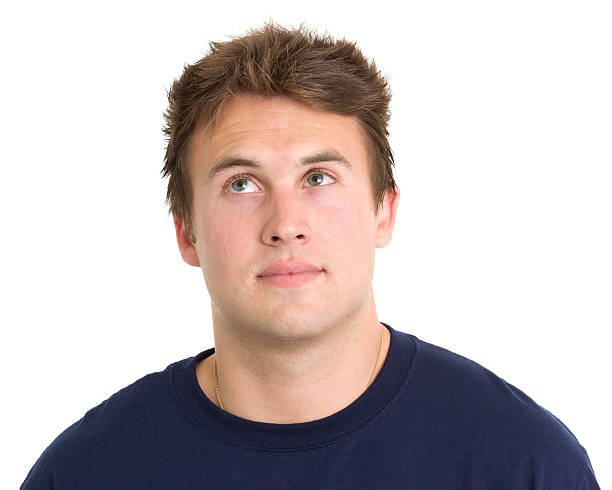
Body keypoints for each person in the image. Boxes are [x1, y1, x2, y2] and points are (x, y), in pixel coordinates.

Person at [21, 23, 599, 489]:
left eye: (318, 177)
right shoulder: (83, 473)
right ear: (187, 233)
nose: (286, 225)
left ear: (383, 212)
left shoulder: (525, 465)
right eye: (242, 184)